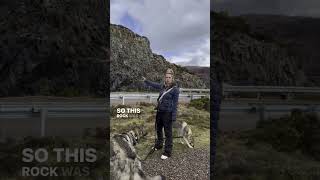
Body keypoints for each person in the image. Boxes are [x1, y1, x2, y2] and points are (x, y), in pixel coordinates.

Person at [142, 68, 179, 160]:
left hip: (168, 113)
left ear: (172, 78)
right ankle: (159, 145)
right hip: (159, 112)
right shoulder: (163, 86)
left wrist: (173, 116)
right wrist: (146, 81)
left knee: (168, 133)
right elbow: (154, 85)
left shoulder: (175, 90)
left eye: (169, 77)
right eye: (166, 77)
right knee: (158, 129)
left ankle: (167, 152)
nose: (167, 79)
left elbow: (175, 104)